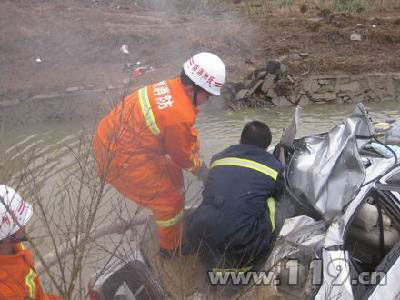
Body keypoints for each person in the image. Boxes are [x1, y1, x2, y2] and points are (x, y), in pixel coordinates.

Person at [93, 52, 226, 256]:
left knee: (174, 176)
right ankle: (170, 250)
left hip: (115, 139)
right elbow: (181, 157)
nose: (208, 100)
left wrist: (193, 150)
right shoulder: (178, 115)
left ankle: (172, 228)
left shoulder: (173, 87)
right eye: (207, 95)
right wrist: (202, 171)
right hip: (119, 157)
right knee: (169, 201)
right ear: (193, 89)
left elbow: (179, 137)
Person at [186, 121, 284, 271]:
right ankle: (252, 264)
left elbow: (209, 189)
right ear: (266, 147)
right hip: (245, 248)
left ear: (240, 140)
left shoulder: (218, 158)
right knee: (272, 202)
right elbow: (281, 194)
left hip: (202, 240)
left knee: (215, 197)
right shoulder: (274, 167)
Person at [0, 185, 62, 300]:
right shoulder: (6, 292)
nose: (24, 225)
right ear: (6, 237)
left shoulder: (15, 248)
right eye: (20, 222)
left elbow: (35, 291)